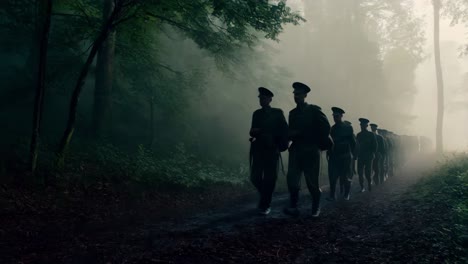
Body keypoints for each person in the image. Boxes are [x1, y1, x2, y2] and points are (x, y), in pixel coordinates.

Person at [284, 82, 331, 217]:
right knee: (292, 180)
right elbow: (290, 130)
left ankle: (316, 206)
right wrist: (288, 138)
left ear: (305, 95)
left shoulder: (314, 110)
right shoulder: (292, 113)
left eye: (298, 94)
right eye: (294, 94)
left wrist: (316, 141)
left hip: (311, 150)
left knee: (311, 183)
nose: (296, 96)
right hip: (296, 150)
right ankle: (294, 206)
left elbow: (326, 127)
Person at [249, 87, 288, 215]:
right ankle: (265, 196)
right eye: (260, 97)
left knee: (270, 178)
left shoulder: (277, 113)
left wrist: (281, 145)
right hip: (258, 149)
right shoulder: (257, 113)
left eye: (264, 98)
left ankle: (266, 204)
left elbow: (284, 130)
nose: (261, 100)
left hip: (272, 149)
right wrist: (255, 132)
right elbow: (252, 130)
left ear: (270, 99)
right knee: (255, 177)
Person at [327, 107, 356, 201]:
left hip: (345, 156)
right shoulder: (332, 129)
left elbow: (353, 143)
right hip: (334, 156)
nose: (335, 118)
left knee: (346, 177)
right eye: (334, 116)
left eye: (337, 116)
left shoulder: (348, 128)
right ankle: (332, 195)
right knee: (332, 177)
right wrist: (328, 151)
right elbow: (330, 142)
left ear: (341, 116)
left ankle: (347, 194)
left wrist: (353, 156)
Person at [356, 118, 377, 192]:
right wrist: (356, 155)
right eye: (361, 125)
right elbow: (356, 146)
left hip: (368, 156)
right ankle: (362, 187)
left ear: (366, 126)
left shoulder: (370, 135)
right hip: (360, 156)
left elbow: (375, 145)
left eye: (364, 125)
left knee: (368, 173)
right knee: (360, 173)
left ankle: (369, 184)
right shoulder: (358, 135)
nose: (362, 126)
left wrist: (373, 153)